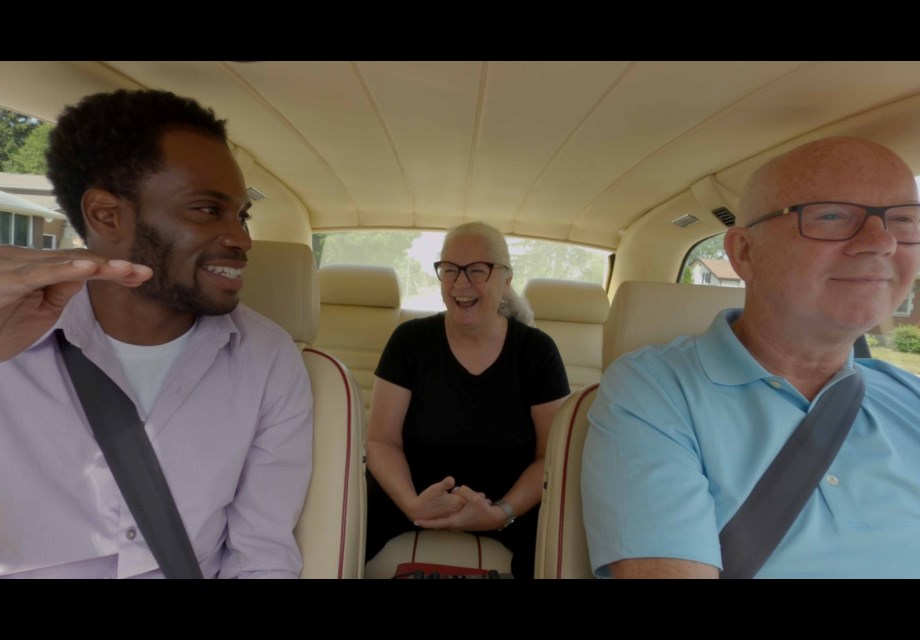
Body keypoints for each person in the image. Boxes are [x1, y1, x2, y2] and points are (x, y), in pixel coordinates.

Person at [0, 89, 313, 578]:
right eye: (207, 210)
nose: (242, 239)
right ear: (108, 216)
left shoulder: (269, 358)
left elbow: (262, 555)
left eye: (242, 214)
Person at [581, 136, 920, 578]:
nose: (882, 242)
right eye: (831, 216)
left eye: (904, 220)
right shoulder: (655, 390)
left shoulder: (909, 395)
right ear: (744, 253)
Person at [364, 221, 570, 578]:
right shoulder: (408, 342)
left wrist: (500, 513)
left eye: (477, 270)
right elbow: (381, 441)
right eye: (449, 270)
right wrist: (413, 504)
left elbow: (549, 458)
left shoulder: (537, 351)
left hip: (512, 508)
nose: (460, 283)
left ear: (506, 280)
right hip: (410, 497)